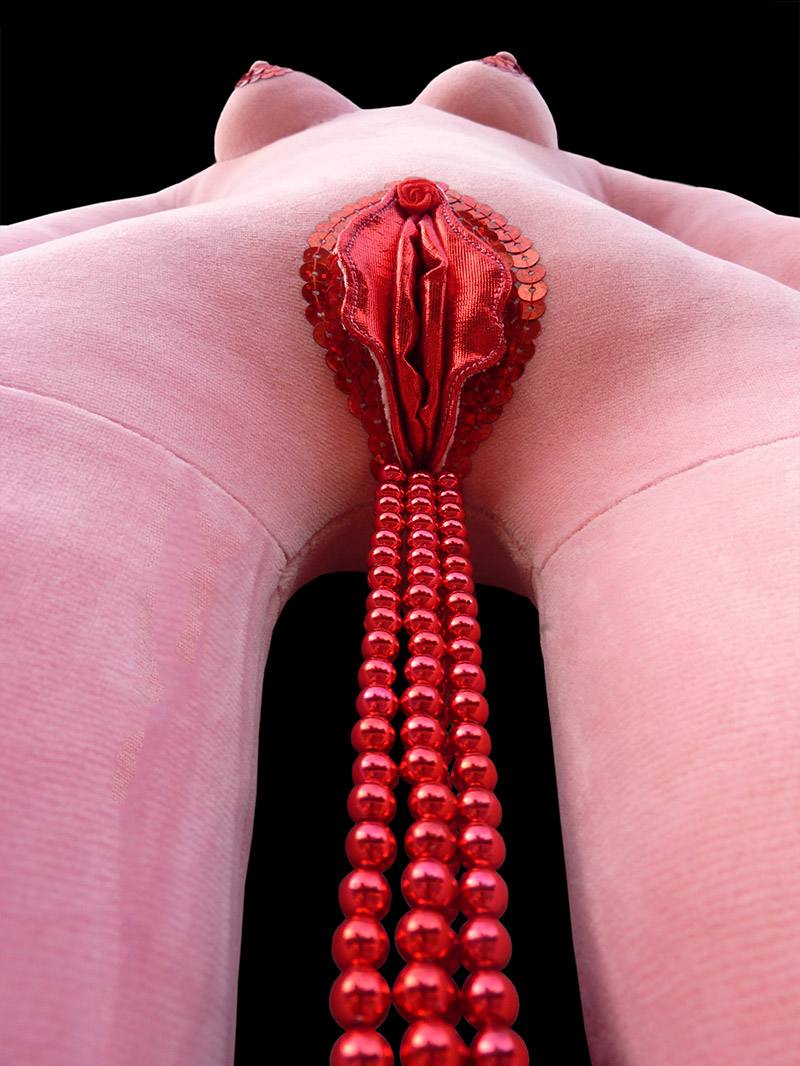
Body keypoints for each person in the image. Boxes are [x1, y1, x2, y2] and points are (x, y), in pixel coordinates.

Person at [1, 27, 798, 1065]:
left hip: (675, 354)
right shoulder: (204, 184)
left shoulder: (591, 173)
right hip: (137, 330)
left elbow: (739, 227)